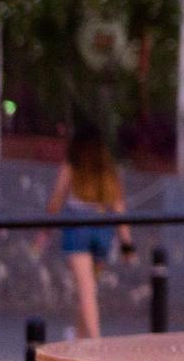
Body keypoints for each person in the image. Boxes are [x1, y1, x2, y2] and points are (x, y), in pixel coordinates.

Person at [37, 124, 134, 340]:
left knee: (86, 290)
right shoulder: (107, 170)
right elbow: (119, 208)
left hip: (78, 227)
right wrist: (127, 244)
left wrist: (45, 230)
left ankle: (95, 340)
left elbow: (56, 199)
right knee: (89, 289)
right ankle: (80, 337)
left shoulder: (73, 165)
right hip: (103, 229)